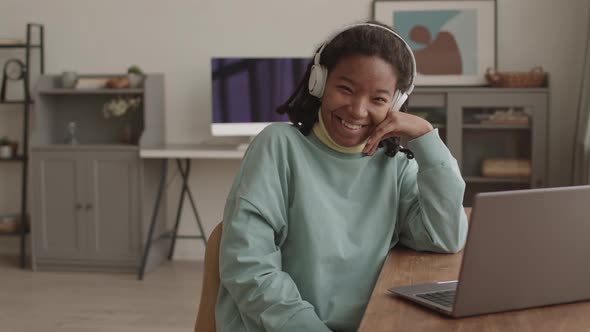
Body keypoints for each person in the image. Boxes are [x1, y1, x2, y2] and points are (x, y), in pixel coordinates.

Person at [215, 21, 468, 332]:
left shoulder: (397, 164)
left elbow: (444, 237)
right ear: (318, 83)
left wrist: (427, 137)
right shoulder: (278, 146)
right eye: (345, 89)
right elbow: (248, 267)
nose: (358, 110)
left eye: (378, 99)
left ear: (396, 103)